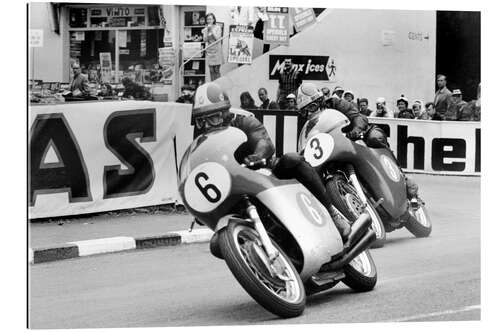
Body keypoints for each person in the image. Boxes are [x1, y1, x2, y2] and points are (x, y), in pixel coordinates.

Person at [192, 82, 352, 240]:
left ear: (224, 113)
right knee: (217, 244)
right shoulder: (203, 139)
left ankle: (332, 212)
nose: (207, 125)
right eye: (201, 121)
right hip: (234, 187)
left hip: (263, 170)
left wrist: (257, 156)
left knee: (293, 159)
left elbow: (263, 141)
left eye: (212, 118)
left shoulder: (242, 120)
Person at [297, 82, 419, 201]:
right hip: (330, 152)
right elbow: (307, 145)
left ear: (320, 101)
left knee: (375, 137)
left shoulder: (335, 103)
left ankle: (402, 177)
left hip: (352, 139)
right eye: (304, 111)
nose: (309, 113)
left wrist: (356, 129)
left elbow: (357, 116)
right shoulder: (308, 126)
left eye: (311, 107)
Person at [202, 13, 224, 82]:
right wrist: (207, 31)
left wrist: (211, 30)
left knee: (216, 70)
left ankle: (219, 86)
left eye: (210, 19)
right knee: (211, 70)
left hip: (217, 51)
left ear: (213, 19)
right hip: (210, 51)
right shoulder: (205, 29)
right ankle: (213, 85)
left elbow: (217, 39)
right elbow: (205, 40)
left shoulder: (218, 27)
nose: (209, 20)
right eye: (208, 19)